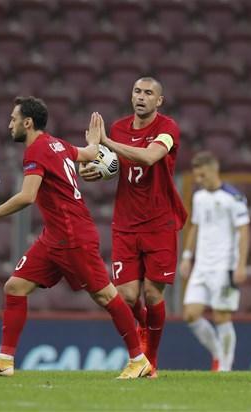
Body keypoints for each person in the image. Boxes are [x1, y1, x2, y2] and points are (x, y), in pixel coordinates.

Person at [0, 97, 150, 379]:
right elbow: (88, 154)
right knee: (14, 287)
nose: (9, 124)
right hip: (54, 236)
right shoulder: (57, 144)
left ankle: (139, 359)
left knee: (106, 295)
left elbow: (27, 196)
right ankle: (5, 359)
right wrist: (95, 142)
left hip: (73, 235)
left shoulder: (36, 151)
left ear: (27, 123)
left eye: (13, 119)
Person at [79, 77, 187, 377]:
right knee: (126, 297)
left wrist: (106, 143)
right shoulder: (119, 127)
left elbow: (150, 157)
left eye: (148, 93)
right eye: (137, 91)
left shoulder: (168, 128)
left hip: (159, 222)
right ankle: (143, 331)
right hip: (125, 223)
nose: (141, 97)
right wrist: (96, 171)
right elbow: (119, 167)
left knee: (153, 295)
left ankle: (149, 359)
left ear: (159, 101)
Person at [179, 151, 250, 372]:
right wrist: (187, 257)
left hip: (224, 266)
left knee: (221, 316)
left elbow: (244, 232)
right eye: (196, 176)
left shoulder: (233, 198)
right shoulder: (199, 197)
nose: (199, 180)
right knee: (191, 314)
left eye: (202, 176)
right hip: (201, 265)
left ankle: (225, 366)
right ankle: (218, 353)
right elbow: (195, 227)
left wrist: (240, 265)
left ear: (213, 170)